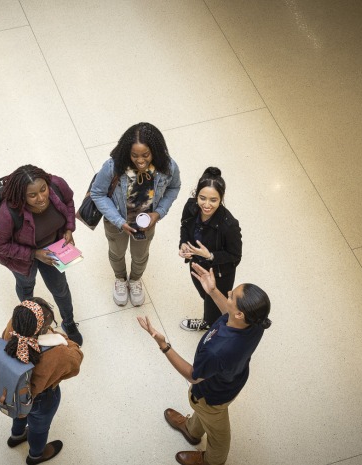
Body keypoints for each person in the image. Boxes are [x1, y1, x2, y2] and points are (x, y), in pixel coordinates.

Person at [137, 263, 271, 465]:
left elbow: (193, 375)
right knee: (203, 414)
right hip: (231, 379)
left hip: (212, 395)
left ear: (240, 315)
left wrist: (164, 345)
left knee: (219, 434)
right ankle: (191, 431)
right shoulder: (255, 324)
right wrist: (212, 291)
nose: (228, 293)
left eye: (231, 296)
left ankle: (212, 461)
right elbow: (229, 313)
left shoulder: (218, 350)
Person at [0, 165, 83, 345]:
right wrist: (34, 254)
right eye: (32, 195)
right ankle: (31, 323)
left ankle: (69, 322)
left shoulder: (57, 185)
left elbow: (69, 202)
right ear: (22, 196)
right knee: (26, 287)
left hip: (52, 251)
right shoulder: (9, 212)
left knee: (60, 288)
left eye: (43, 190)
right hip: (22, 259)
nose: (41, 198)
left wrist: (69, 228)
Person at [90, 122, 181, 307]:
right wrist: (118, 221)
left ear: (155, 151)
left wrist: (158, 212)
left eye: (146, 155)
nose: (140, 160)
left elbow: (174, 187)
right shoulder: (113, 166)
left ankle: (135, 280)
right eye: (134, 155)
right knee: (117, 253)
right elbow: (97, 193)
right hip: (117, 223)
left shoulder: (168, 167)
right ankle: (120, 280)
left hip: (146, 223)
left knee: (140, 255)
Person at [3, 298, 83, 464]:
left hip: (14, 389)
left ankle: (16, 435)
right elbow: (75, 363)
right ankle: (35, 455)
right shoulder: (58, 352)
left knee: (19, 412)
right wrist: (61, 338)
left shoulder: (13, 325)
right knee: (39, 428)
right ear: (44, 328)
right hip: (41, 398)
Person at [178, 167, 242, 332]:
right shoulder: (191, 206)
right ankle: (211, 319)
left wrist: (210, 255)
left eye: (213, 200)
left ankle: (210, 324)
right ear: (197, 194)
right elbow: (184, 226)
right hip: (197, 265)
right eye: (202, 198)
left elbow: (235, 255)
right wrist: (183, 243)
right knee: (205, 295)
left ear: (221, 198)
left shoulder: (229, 225)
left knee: (214, 302)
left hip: (219, 274)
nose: (206, 205)